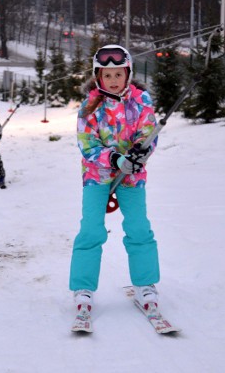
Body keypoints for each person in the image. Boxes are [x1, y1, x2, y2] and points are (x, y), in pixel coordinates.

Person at [69, 44, 160, 319]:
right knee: (91, 230)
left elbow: (149, 131)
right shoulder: (90, 106)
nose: (113, 80)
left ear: (127, 72)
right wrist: (114, 159)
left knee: (138, 228)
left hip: (132, 175)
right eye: (106, 75)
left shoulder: (140, 100)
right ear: (98, 76)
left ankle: (145, 285)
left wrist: (140, 152)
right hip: (97, 176)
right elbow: (87, 143)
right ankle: (83, 289)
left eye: (118, 74)